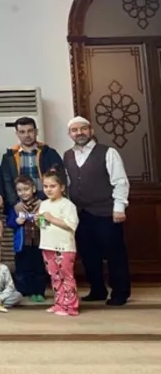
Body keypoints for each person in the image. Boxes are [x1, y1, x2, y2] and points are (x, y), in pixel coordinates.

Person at [62, 116, 131, 306]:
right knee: (89, 254)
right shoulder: (67, 155)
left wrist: (119, 208)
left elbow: (120, 181)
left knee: (114, 253)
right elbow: (68, 184)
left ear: (91, 131)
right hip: (81, 213)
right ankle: (97, 289)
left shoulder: (108, 152)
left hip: (106, 212)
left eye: (83, 129)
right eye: (75, 130)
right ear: (70, 134)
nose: (79, 133)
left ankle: (120, 292)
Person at [39, 169, 80, 317]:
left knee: (66, 276)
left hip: (64, 247)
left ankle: (71, 306)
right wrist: (40, 221)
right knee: (54, 276)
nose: (48, 189)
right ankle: (59, 303)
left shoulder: (67, 205)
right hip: (47, 245)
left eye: (52, 186)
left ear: (62, 187)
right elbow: (43, 225)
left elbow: (71, 224)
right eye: (46, 186)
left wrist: (51, 218)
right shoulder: (43, 204)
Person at [0, 116, 64, 205]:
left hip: (47, 203)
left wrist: (46, 202)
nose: (27, 135)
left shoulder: (49, 153)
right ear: (17, 134)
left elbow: (60, 178)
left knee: (42, 220)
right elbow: (6, 182)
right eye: (22, 132)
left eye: (30, 131)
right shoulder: (9, 157)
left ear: (36, 131)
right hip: (20, 205)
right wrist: (16, 203)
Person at [6, 175, 47, 302]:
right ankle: (24, 291)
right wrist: (17, 221)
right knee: (23, 269)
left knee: (39, 268)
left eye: (26, 189)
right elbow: (9, 223)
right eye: (19, 190)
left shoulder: (42, 205)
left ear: (33, 189)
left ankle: (39, 292)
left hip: (39, 243)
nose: (23, 193)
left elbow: (46, 223)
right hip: (23, 244)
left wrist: (40, 220)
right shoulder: (16, 207)